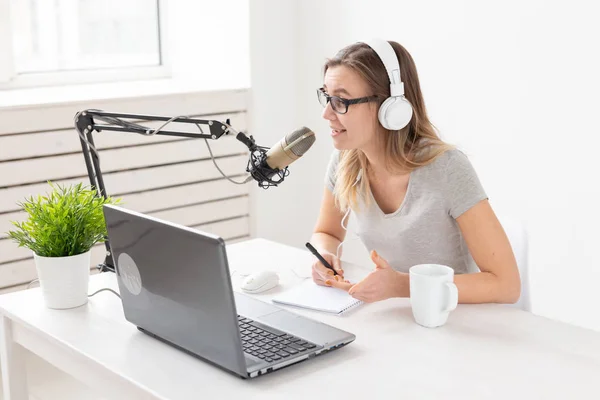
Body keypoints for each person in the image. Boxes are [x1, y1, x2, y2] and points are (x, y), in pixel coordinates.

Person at [309, 39, 521, 304]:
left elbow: (506, 285)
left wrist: (402, 285)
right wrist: (324, 255)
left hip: (450, 321)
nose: (326, 113)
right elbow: (326, 233)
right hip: (395, 316)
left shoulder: (447, 168)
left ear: (391, 106)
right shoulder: (345, 162)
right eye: (327, 96)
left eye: (341, 100)